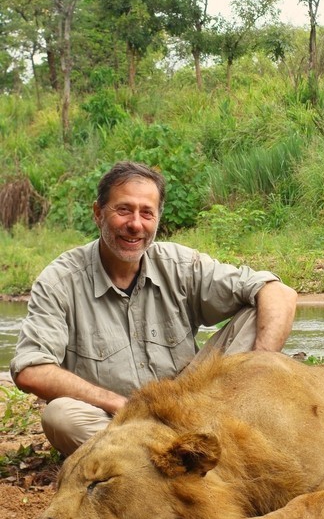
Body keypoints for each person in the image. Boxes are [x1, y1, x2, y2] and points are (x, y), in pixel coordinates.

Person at [11, 161, 297, 456]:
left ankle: (172, 454)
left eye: (146, 213)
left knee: (256, 313)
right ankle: (178, 456)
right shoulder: (60, 281)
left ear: (158, 219)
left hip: (194, 408)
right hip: (117, 422)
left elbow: (280, 293)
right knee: (61, 417)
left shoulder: (179, 265)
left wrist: (259, 368)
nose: (135, 224)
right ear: (98, 213)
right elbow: (31, 369)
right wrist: (119, 404)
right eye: (123, 210)